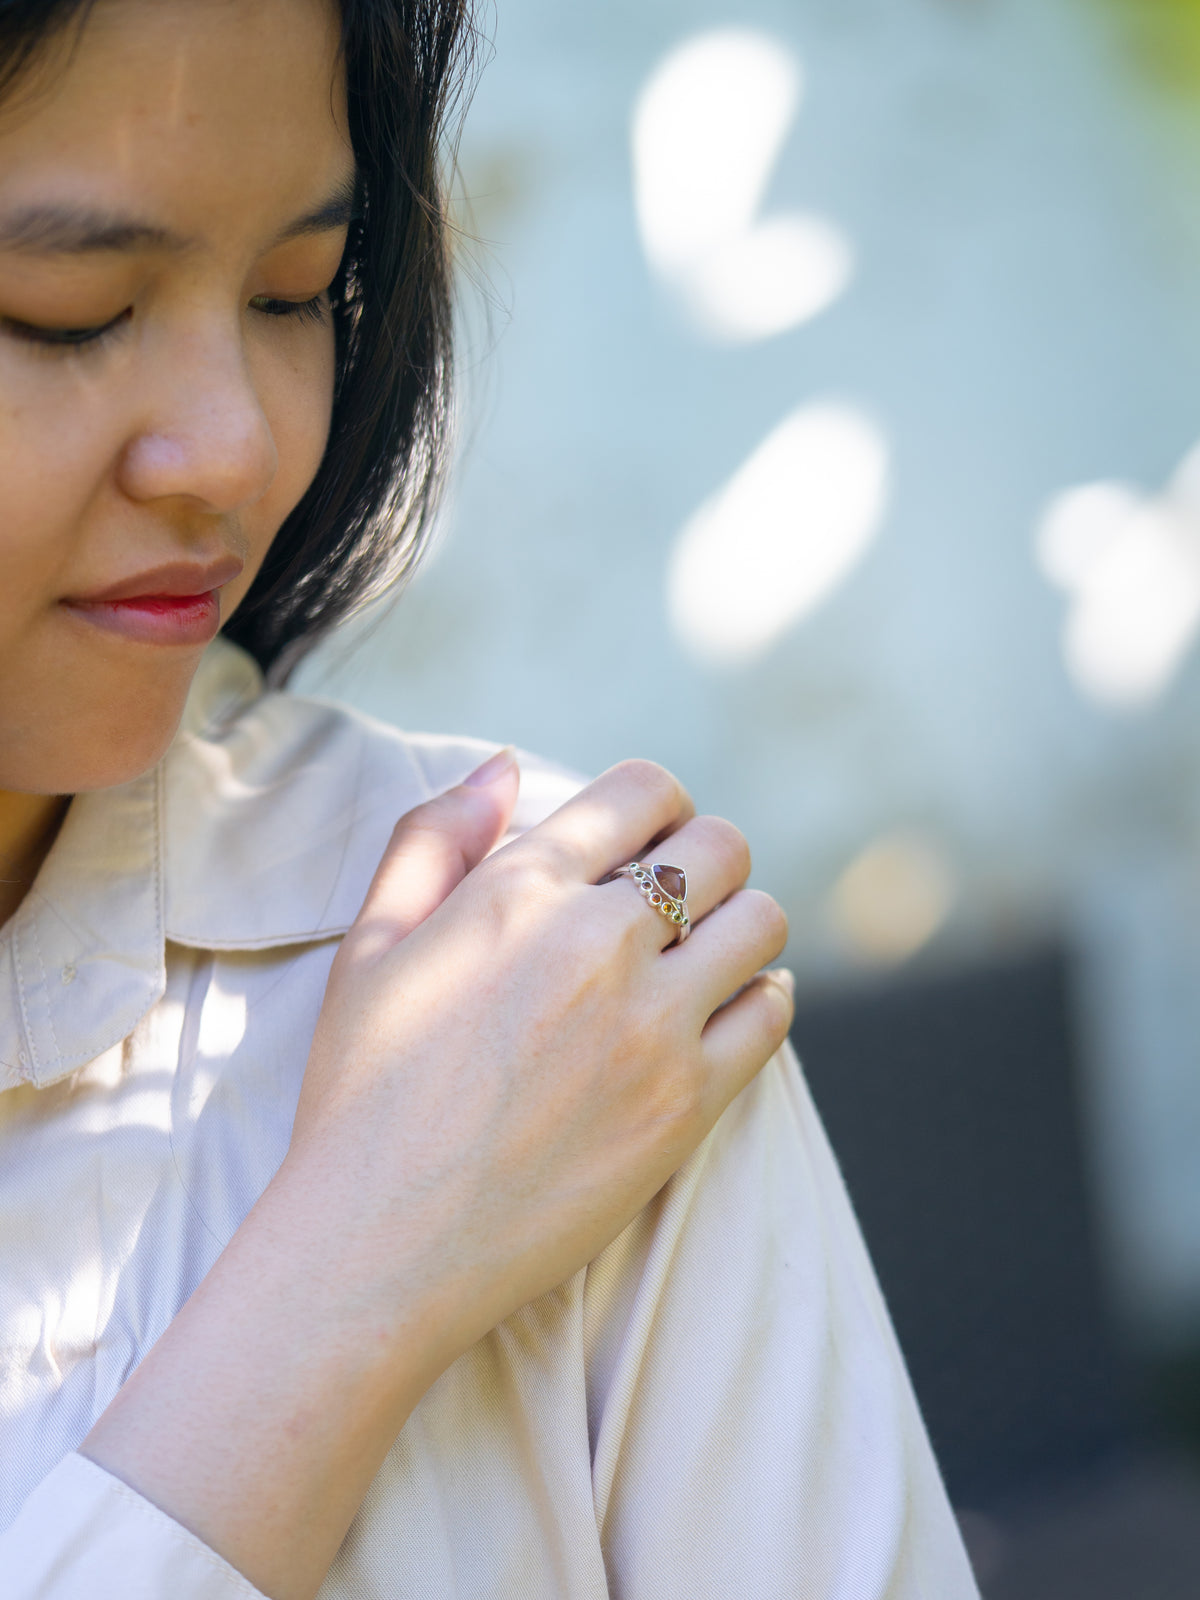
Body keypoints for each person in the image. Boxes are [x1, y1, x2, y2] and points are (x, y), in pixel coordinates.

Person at [0, 2, 980, 1597]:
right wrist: (345, 1286)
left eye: (293, 292)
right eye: (68, 307)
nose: (237, 447)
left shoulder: (552, 980)